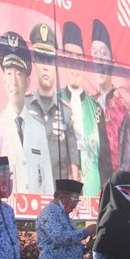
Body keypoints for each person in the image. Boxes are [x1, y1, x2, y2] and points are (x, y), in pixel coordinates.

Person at [0, 31, 54, 195]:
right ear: (3, 80)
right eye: (9, 74)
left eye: (19, 74)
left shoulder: (38, 128)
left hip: (34, 215)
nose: (14, 82)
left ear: (27, 82)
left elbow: (47, 182)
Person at [59, 21, 111, 196]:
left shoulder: (95, 108)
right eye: (69, 57)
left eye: (79, 58)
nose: (74, 65)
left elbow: (104, 159)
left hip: (92, 188)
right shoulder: (54, 101)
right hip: (63, 187)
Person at [26, 21, 80, 181]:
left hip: (59, 195)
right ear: (34, 64)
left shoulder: (66, 111)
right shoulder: (24, 106)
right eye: (41, 60)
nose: (45, 67)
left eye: (49, 61)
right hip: (32, 193)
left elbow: (73, 162)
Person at [90, 18, 130, 172]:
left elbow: (127, 165)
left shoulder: (120, 110)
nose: (99, 59)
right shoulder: (88, 103)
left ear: (112, 60)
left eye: (103, 53)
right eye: (95, 54)